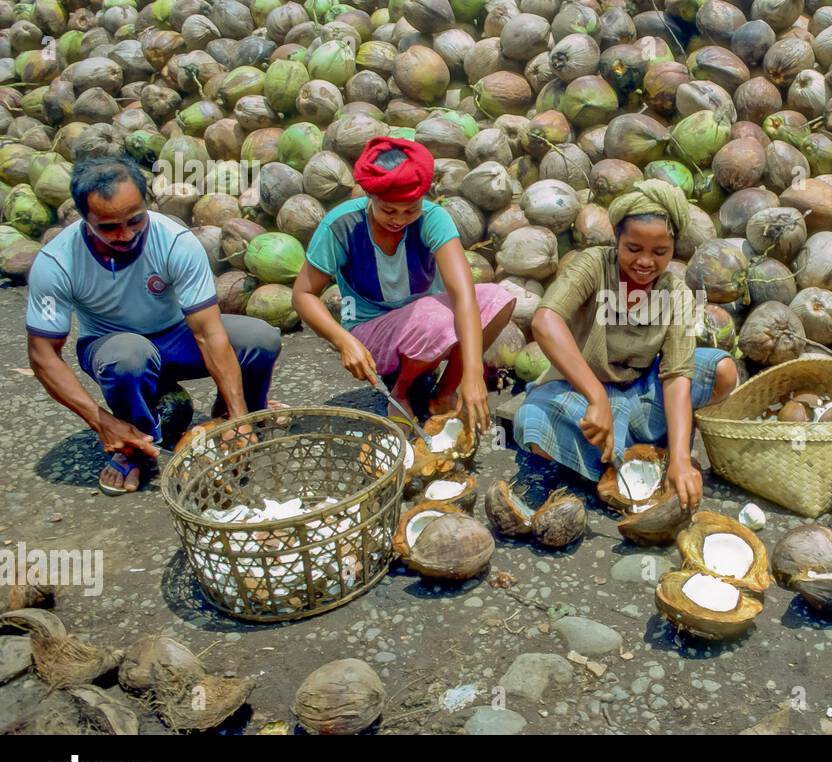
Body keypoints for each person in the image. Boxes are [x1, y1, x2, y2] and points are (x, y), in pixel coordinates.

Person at [26, 154, 282, 495]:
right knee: (128, 358)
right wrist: (102, 422)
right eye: (108, 227)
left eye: (135, 220)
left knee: (260, 338)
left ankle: (238, 415)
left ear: (147, 202)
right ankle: (137, 447)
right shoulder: (57, 261)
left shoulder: (175, 240)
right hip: (112, 344)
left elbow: (208, 332)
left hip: (179, 336)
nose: (125, 234)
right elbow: (43, 355)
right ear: (83, 218)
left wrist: (237, 414)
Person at [514, 180, 738, 512]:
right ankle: (634, 459)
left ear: (674, 248)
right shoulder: (593, 264)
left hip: (642, 395)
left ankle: (656, 457)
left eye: (659, 252)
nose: (645, 261)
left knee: (722, 369)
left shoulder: (676, 292)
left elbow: (676, 374)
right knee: (533, 416)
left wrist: (680, 458)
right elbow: (545, 321)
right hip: (579, 393)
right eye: (633, 248)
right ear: (617, 239)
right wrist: (596, 395)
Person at [292, 136, 514, 434]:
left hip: (430, 329)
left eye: (411, 210)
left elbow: (463, 296)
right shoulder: (341, 225)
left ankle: (443, 394)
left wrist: (472, 375)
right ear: (370, 196)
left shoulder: (435, 219)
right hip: (372, 334)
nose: (399, 220)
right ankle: (400, 394)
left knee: (499, 299)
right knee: (431, 318)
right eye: (388, 210)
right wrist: (343, 341)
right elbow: (303, 294)